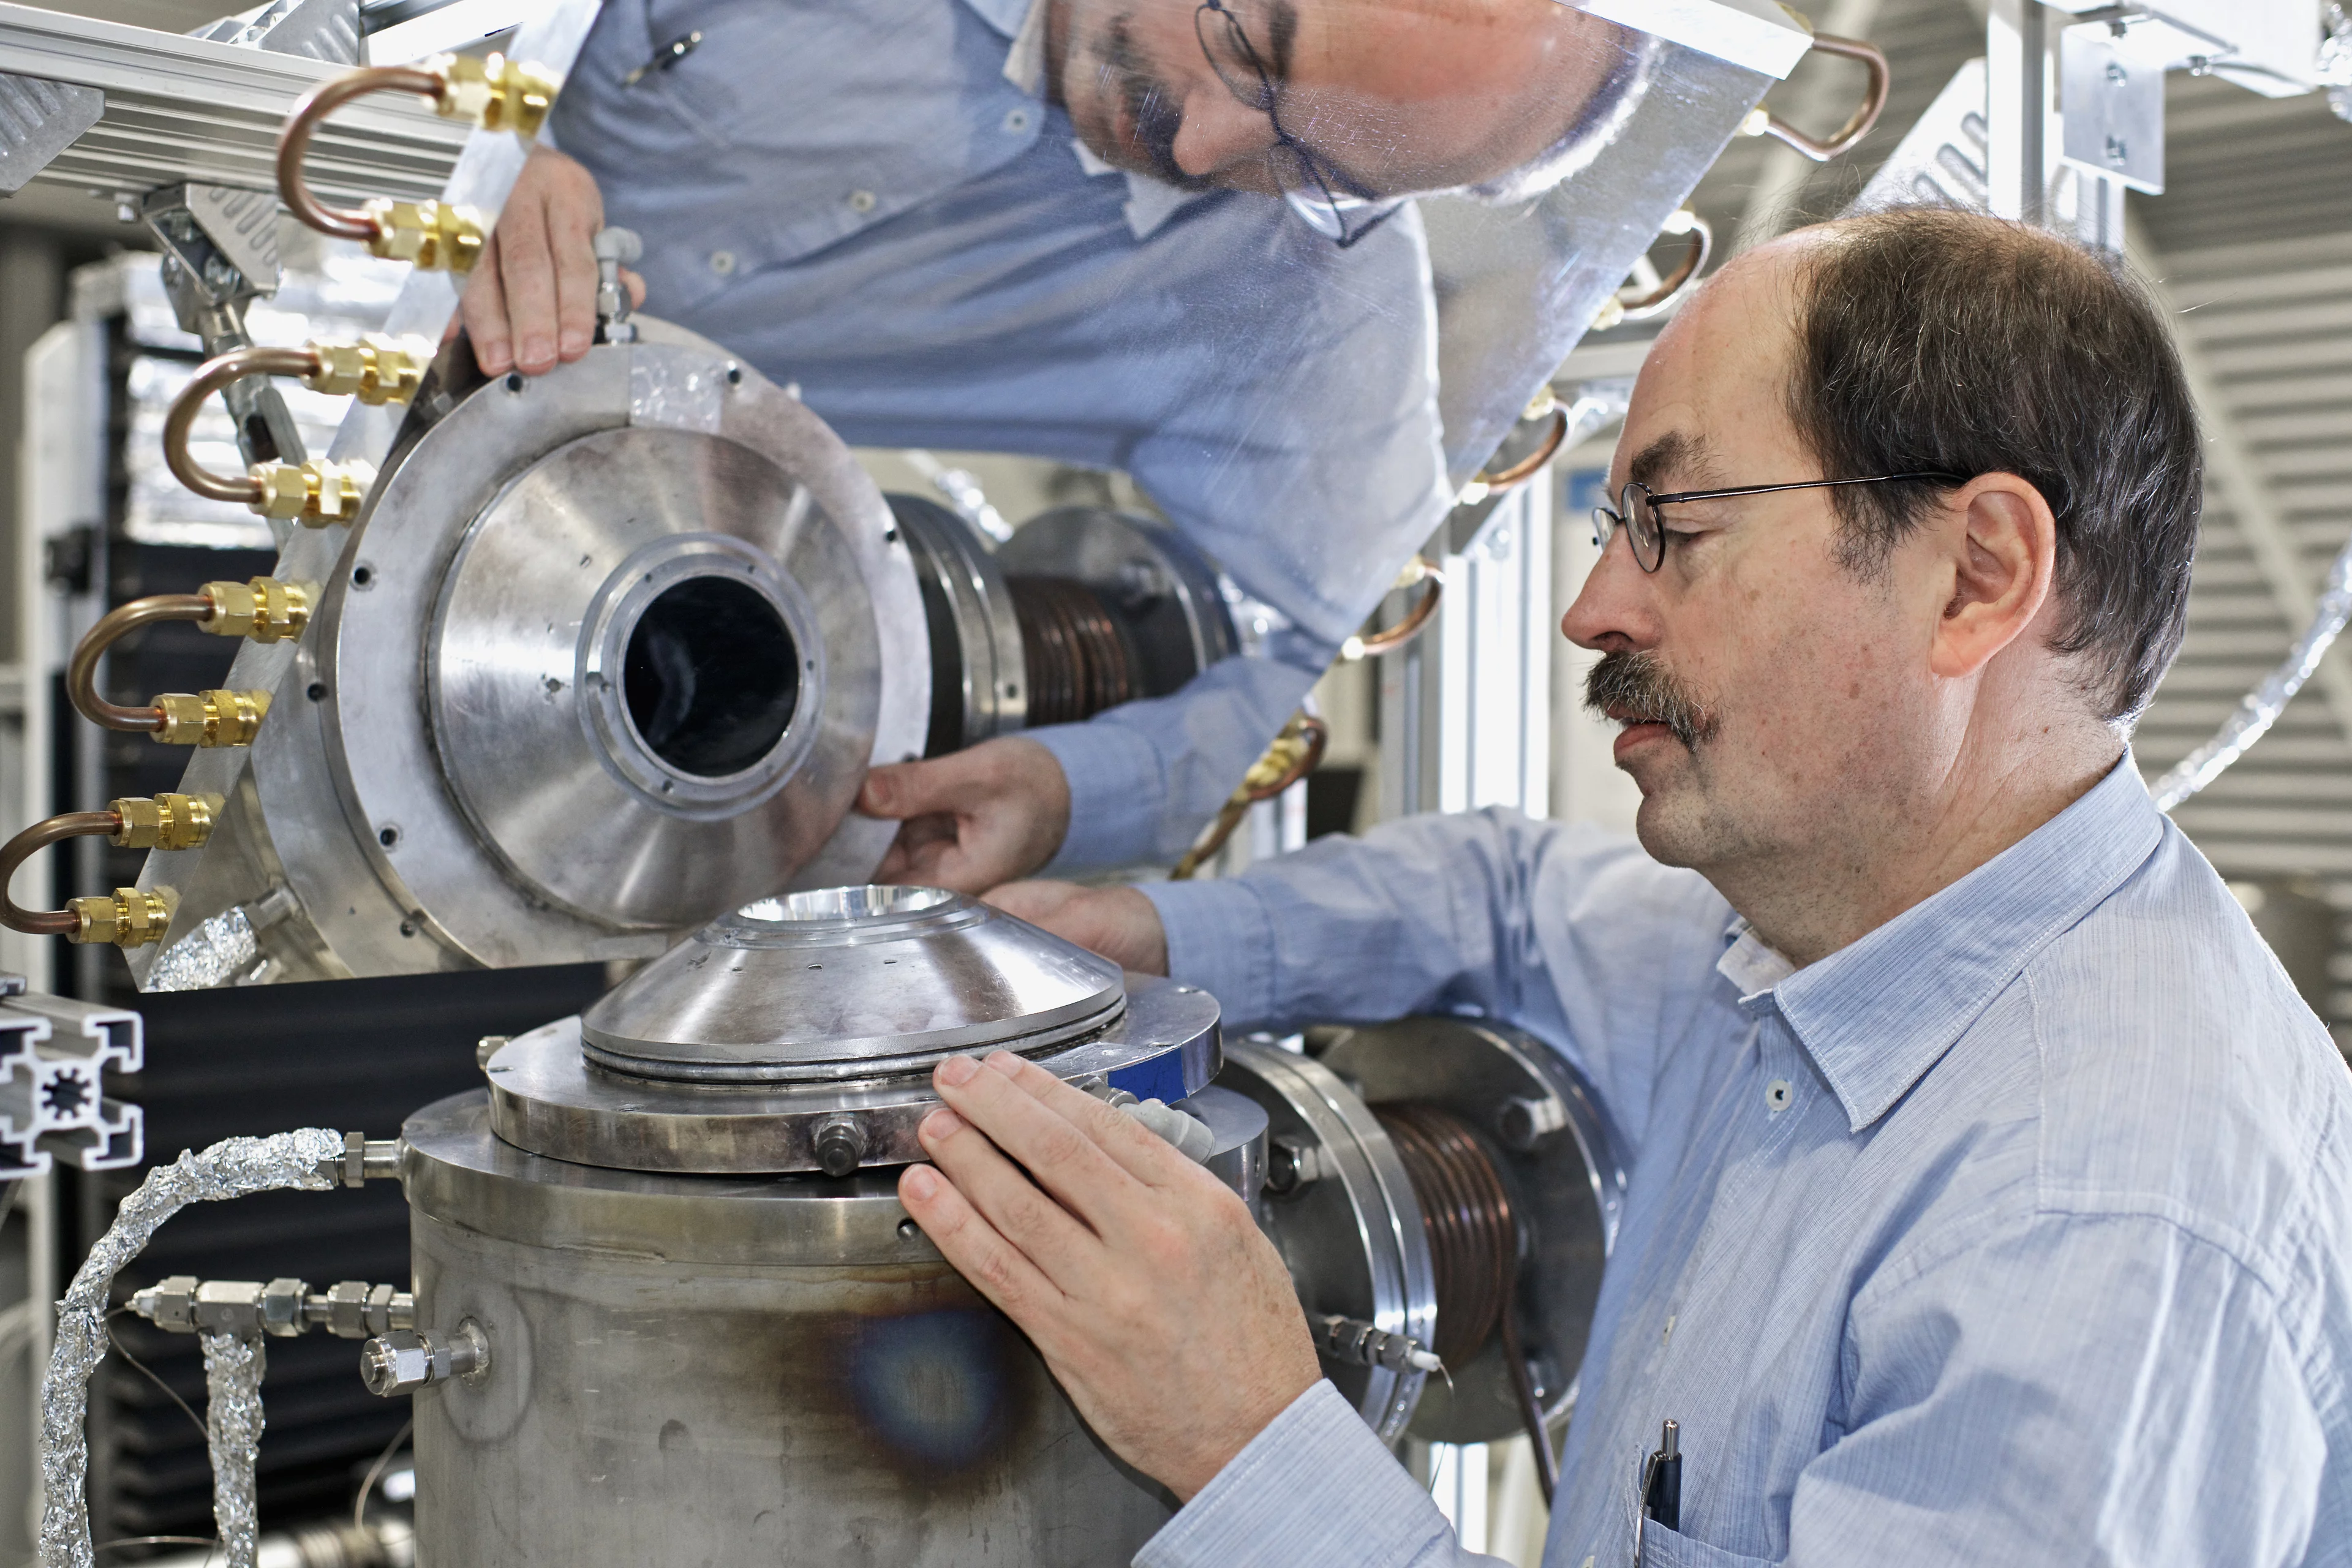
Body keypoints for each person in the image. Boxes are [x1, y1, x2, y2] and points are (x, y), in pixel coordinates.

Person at [892, 206, 2352, 1566]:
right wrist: (1124, 934)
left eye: (1679, 526)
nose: (1596, 608)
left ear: (1975, 574)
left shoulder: (2094, 1223)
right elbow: (1507, 897)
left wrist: (1248, 1436)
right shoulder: (1816, 946)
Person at [460, 0, 1646, 891]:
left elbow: (1320, 654)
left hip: (504, 620)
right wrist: (466, 108)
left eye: (1314, 165)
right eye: (1248, 40)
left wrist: (1081, 786)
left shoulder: (1308, 298)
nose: (1202, 147)